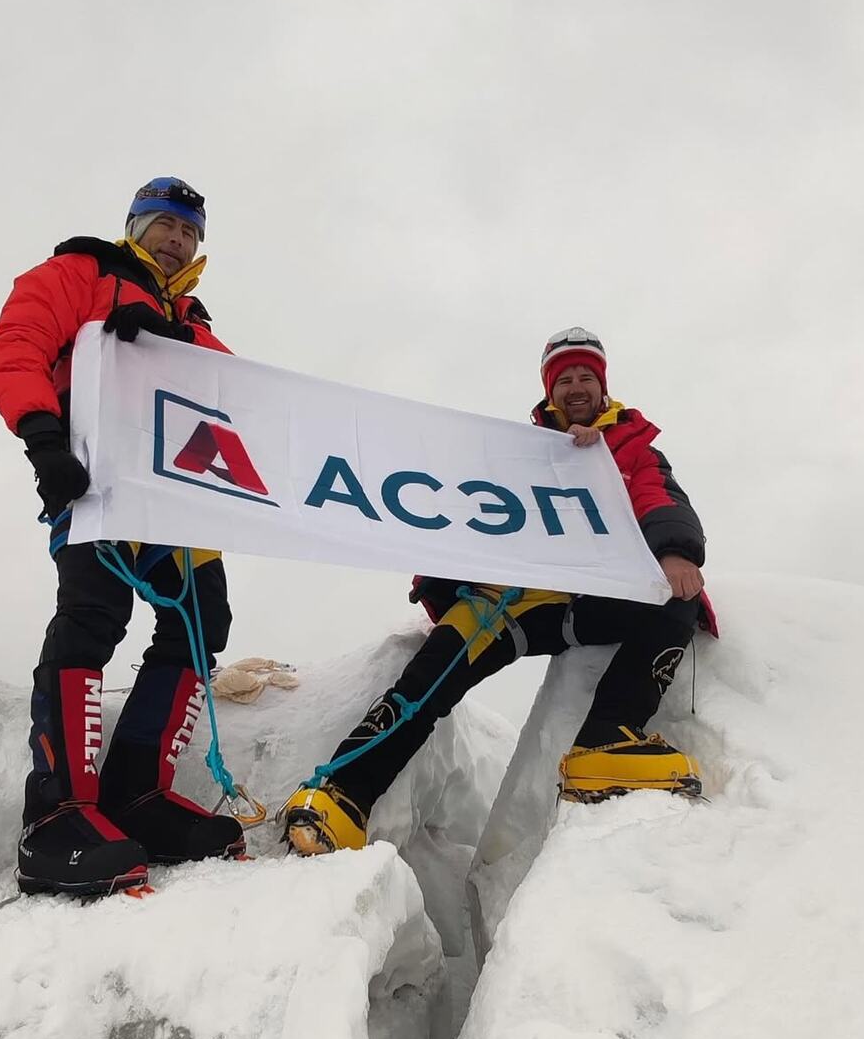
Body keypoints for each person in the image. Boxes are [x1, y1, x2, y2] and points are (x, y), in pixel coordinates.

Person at [280, 327, 717, 855]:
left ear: (602, 388)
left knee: (677, 596)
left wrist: (675, 549)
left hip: (596, 598)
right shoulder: (517, 453)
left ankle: (608, 739)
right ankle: (342, 793)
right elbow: (464, 508)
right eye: (565, 380)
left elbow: (656, 495)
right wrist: (438, 581)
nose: (576, 387)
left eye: (586, 377)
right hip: (508, 600)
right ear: (549, 391)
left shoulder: (628, 446)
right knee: (428, 678)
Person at [0, 177, 246, 895]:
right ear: (136, 227)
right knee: (93, 617)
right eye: (163, 224)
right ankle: (56, 815)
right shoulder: (81, 273)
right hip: (98, 484)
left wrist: (179, 342)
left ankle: (136, 791)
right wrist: (42, 438)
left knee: (200, 619)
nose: (175, 239)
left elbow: (241, 398)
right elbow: (18, 343)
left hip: (177, 502)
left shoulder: (196, 322)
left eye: (189, 232)